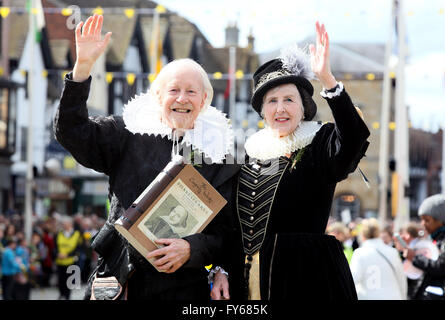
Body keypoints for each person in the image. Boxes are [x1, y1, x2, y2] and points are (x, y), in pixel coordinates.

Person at [53, 14, 238, 300]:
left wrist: (192, 249)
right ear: (158, 96)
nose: (181, 98)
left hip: (185, 286)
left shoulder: (220, 154)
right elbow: (71, 132)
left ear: (203, 101)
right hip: (118, 278)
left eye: (191, 92)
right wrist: (82, 70)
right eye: (173, 90)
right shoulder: (126, 131)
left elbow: (228, 234)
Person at [211, 22, 370, 300]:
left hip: (305, 277)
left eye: (289, 99)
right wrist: (222, 268)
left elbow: (353, 139)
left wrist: (328, 81)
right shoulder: (249, 151)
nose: (280, 108)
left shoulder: (319, 142)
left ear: (304, 106)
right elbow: (232, 224)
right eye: (272, 101)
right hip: (246, 279)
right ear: (262, 111)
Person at [402, 194, 445, 300]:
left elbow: (442, 266)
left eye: (427, 220)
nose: (423, 224)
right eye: (422, 219)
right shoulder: (433, 238)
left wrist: (414, 257)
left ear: (440, 220)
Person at [349, 218, 407, 300]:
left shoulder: (359, 253)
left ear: (363, 235)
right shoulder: (393, 252)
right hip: (392, 297)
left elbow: (352, 280)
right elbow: (401, 280)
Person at [54, 216, 82, 300]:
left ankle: (67, 296)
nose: (63, 225)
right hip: (60, 261)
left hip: (71, 261)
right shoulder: (58, 234)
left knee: (69, 280)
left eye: (65, 224)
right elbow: (55, 247)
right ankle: (61, 294)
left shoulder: (77, 234)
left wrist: (68, 255)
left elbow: (79, 249)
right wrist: (57, 254)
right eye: (63, 224)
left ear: (70, 224)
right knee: (60, 280)